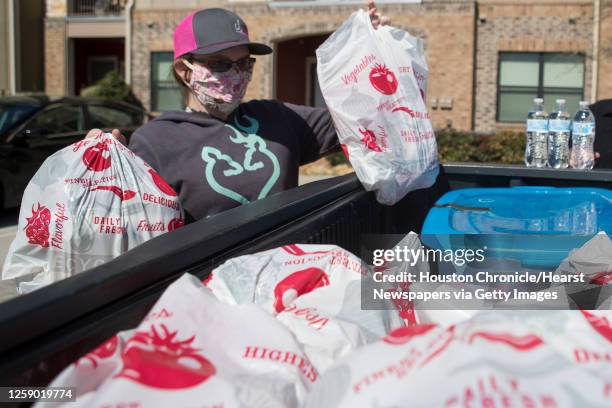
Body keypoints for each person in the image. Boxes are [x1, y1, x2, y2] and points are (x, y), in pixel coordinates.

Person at [89, 3, 389, 222]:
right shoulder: (155, 142)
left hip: (288, 277)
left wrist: (370, 51)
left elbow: (361, 116)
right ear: (184, 70)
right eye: (220, 63)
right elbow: (123, 225)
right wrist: (101, 172)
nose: (236, 74)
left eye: (244, 63)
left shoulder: (278, 118)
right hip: (208, 294)